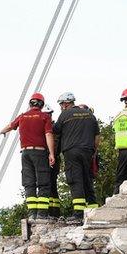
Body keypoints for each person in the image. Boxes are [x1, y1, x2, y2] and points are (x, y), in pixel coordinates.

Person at [0, 93, 56, 219]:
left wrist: (1, 131)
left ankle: (32, 214)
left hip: (25, 153)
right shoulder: (44, 117)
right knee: (43, 183)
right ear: (41, 104)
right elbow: (48, 135)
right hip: (40, 153)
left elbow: (10, 126)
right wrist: (51, 153)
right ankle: (42, 214)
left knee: (29, 183)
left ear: (30, 103)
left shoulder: (22, 116)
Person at [54, 92, 100, 221]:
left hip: (71, 152)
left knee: (75, 180)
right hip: (88, 152)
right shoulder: (90, 115)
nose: (61, 107)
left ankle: (78, 214)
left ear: (66, 103)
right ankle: (93, 211)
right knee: (87, 180)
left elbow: (55, 131)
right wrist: (94, 152)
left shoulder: (64, 115)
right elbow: (97, 137)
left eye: (61, 104)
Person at [42, 104, 61, 217]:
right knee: (50, 186)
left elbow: (55, 144)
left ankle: (52, 212)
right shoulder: (51, 127)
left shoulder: (53, 128)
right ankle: (53, 212)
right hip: (50, 158)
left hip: (50, 159)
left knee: (49, 185)